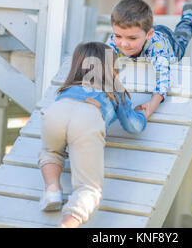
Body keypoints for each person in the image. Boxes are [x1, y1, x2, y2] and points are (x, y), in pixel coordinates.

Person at [37, 42, 147, 228]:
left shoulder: (67, 88)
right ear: (111, 67)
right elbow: (132, 126)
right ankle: (67, 225)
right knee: (89, 188)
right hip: (88, 117)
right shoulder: (115, 91)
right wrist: (144, 114)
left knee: (51, 152)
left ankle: (52, 190)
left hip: (56, 111)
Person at [105, 0, 192, 119]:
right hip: (147, 32)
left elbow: (163, 79)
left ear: (148, 35)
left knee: (183, 36)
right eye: (118, 36)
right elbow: (103, 65)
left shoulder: (158, 49)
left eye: (132, 38)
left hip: (169, 43)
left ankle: (188, 17)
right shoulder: (113, 40)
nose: (124, 43)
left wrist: (151, 106)